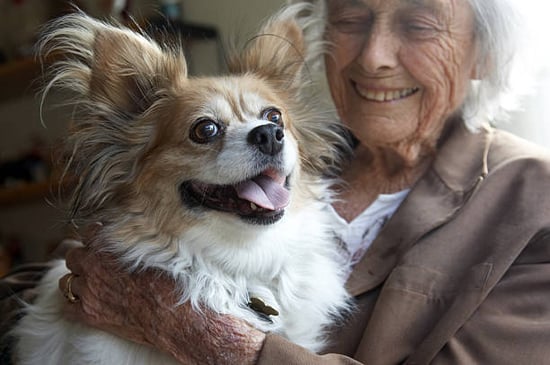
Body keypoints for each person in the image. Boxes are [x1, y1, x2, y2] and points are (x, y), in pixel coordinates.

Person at [2, 0, 550, 363]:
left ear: (486, 53)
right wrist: (81, 281)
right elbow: (66, 284)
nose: (375, 56)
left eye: (419, 23)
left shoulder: (531, 201)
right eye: (353, 18)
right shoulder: (312, 164)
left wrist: (213, 339)